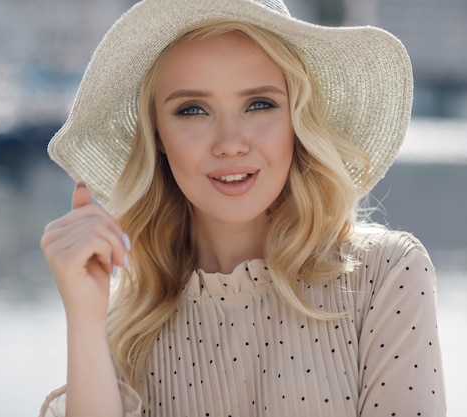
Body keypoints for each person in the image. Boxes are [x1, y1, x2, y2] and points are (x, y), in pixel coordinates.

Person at [39, 0, 446, 416]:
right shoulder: (128, 327)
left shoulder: (387, 275)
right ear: (157, 134)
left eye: (259, 104)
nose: (230, 142)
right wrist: (84, 320)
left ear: (296, 119)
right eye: (192, 110)